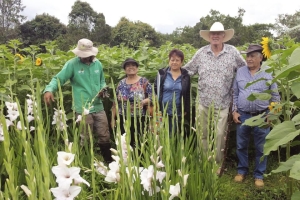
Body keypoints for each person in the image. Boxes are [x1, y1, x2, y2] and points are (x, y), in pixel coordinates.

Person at [183, 22, 247, 172]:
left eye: (219, 33)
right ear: (209, 36)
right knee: (202, 133)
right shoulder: (201, 53)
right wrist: (169, 74)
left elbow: (244, 69)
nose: (216, 36)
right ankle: (203, 161)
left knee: (219, 135)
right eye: (213, 33)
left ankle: (217, 164)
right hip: (203, 100)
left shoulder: (232, 52)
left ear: (224, 36)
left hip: (224, 101)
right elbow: (188, 71)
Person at [43, 38, 112, 163]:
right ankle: (85, 162)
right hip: (82, 107)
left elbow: (102, 81)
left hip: (98, 106)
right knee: (85, 136)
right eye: (82, 55)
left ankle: (108, 161)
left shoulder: (98, 64)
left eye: (87, 55)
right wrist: (49, 90)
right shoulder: (72, 64)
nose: (84, 58)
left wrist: (103, 90)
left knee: (104, 133)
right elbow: (58, 79)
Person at [232, 44, 280, 188]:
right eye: (248, 56)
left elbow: (275, 96)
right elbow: (235, 93)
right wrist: (234, 111)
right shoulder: (240, 72)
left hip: (262, 116)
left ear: (260, 57)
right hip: (243, 115)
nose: (249, 59)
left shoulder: (268, 72)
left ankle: (259, 175)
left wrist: (272, 115)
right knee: (241, 145)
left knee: (262, 146)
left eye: (252, 56)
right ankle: (242, 171)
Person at [111, 58, 152, 147]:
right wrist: (113, 119)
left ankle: (139, 160)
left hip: (140, 118)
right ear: (125, 69)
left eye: (133, 65)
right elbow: (115, 102)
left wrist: (143, 102)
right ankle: (126, 160)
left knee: (140, 142)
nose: (131, 67)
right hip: (123, 118)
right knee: (125, 142)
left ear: (137, 68)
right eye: (128, 66)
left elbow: (152, 97)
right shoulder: (121, 83)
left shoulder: (144, 82)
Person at [154, 49, 191, 136]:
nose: (174, 62)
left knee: (172, 134)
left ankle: (170, 149)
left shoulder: (185, 76)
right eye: (172, 60)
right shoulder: (162, 74)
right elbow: (155, 89)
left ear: (181, 62)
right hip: (161, 110)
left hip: (177, 110)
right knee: (159, 134)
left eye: (177, 60)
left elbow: (187, 93)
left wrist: (185, 109)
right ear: (169, 61)